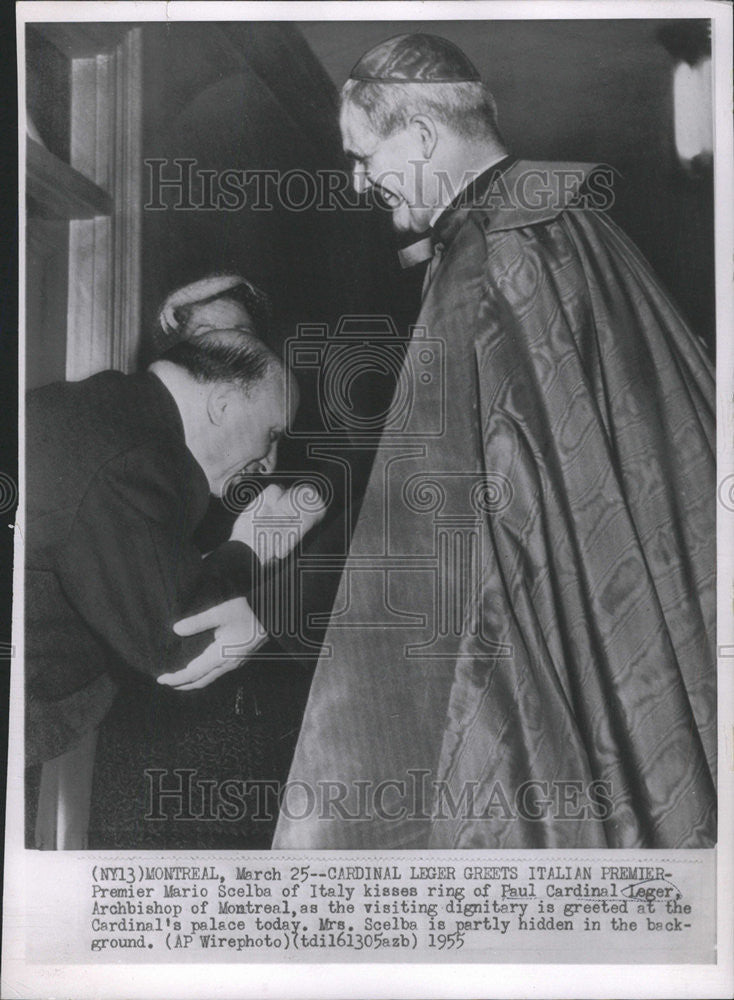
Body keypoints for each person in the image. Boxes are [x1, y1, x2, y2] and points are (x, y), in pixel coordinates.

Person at [272, 34, 716, 849]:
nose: (358, 179)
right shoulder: (567, 220)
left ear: (424, 137)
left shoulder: (489, 256)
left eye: (365, 155)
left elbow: (439, 539)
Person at [26, 329, 325, 846]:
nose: (269, 462)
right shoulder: (137, 459)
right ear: (224, 404)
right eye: (272, 433)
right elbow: (179, 648)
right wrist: (256, 548)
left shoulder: (106, 409)